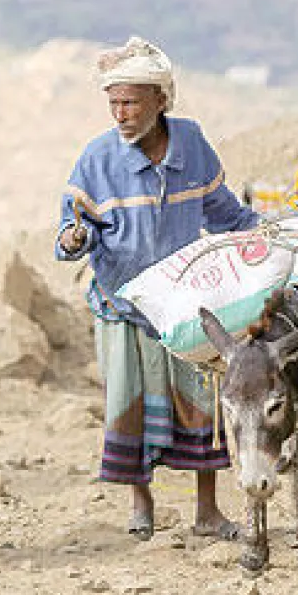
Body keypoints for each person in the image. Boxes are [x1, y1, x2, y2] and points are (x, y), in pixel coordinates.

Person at [55, 36, 259, 541]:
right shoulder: (97, 159)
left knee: (203, 404)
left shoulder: (191, 144)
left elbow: (223, 211)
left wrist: (265, 234)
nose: (121, 114)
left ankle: (207, 511)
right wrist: (75, 238)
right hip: (122, 302)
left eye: (130, 103)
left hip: (186, 303)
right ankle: (141, 505)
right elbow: (70, 232)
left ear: (160, 100)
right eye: (114, 104)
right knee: (130, 406)